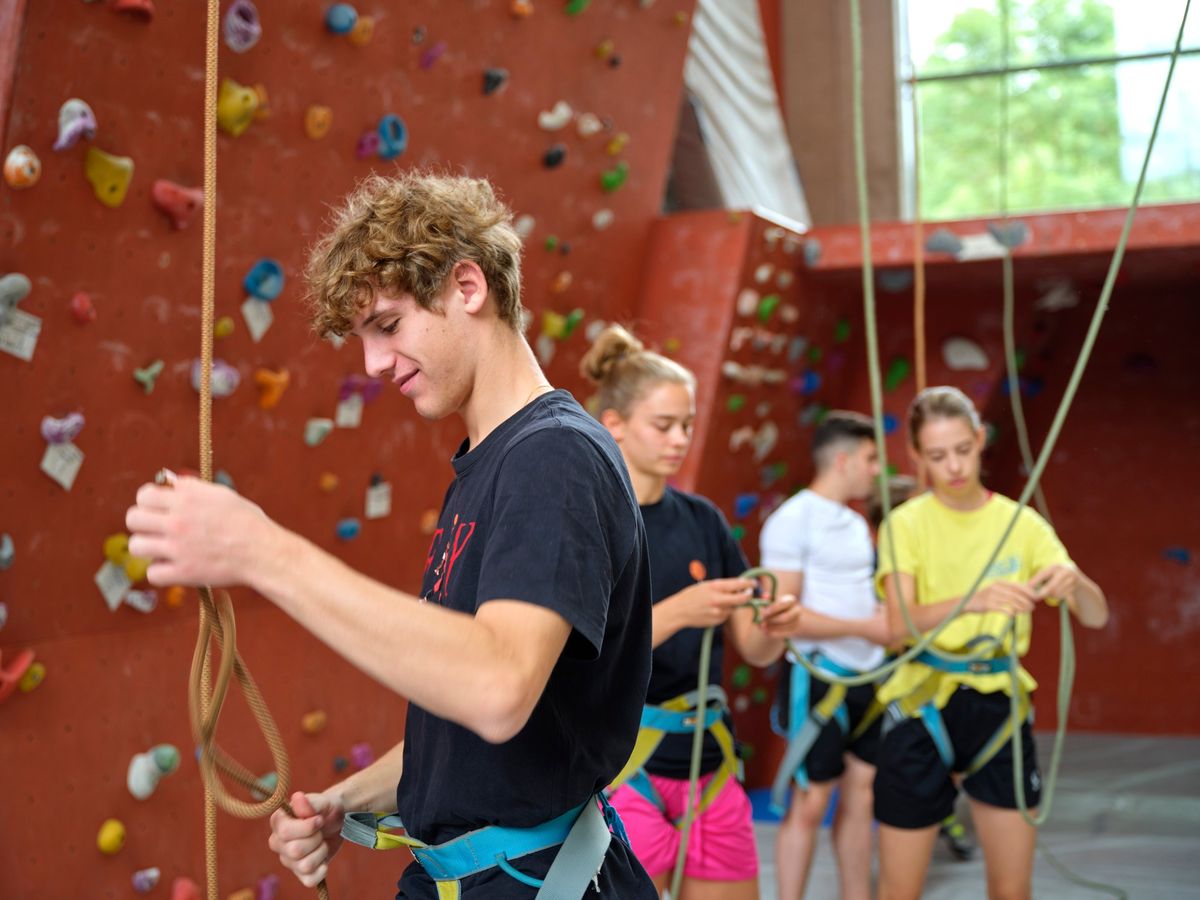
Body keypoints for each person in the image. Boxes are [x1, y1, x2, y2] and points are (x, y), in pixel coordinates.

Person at [125, 172, 659, 899]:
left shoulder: (554, 458)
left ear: (467, 287)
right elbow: (469, 728)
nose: (374, 364)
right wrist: (352, 797)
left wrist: (262, 551)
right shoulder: (488, 467)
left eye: (387, 325)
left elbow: (497, 687)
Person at [581, 324, 802, 900]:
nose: (680, 438)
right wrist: (677, 612)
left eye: (687, 424)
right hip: (629, 767)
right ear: (615, 426)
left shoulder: (703, 520)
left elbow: (752, 649)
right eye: (664, 425)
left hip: (708, 759)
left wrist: (774, 628)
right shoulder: (592, 525)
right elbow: (578, 661)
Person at [873, 386, 1109, 900]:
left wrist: (1076, 583)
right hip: (922, 703)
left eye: (963, 449)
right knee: (898, 889)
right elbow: (897, 626)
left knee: (1010, 888)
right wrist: (973, 600)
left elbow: (1094, 615)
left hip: (998, 706)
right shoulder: (906, 524)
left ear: (981, 439)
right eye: (937, 456)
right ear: (916, 456)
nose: (954, 466)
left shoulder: (1020, 523)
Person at [758, 411, 892, 900]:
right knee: (810, 804)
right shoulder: (792, 521)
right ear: (843, 459)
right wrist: (867, 627)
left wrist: (884, 622)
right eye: (870, 458)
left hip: (868, 678)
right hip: (819, 680)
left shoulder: (857, 523)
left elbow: (853, 594)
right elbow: (783, 617)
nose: (876, 469)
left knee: (861, 798)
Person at [867, 474, 975, 864]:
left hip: (927, 679)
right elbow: (892, 631)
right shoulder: (883, 558)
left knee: (948, 755)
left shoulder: (925, 554)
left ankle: (942, 809)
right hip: (893, 680)